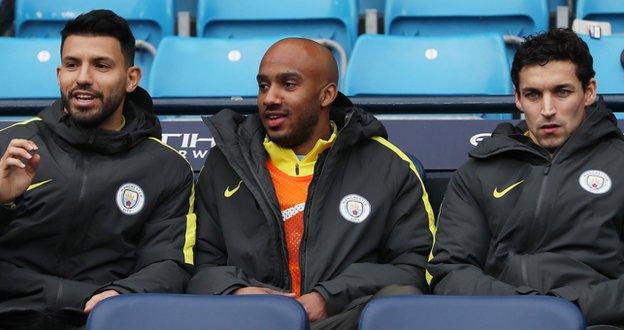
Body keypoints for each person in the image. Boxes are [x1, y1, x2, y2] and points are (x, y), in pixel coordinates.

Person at [186, 38, 434, 329]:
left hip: (342, 320)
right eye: (263, 85)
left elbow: (416, 269)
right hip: (249, 321)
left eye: (288, 85)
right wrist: (238, 292)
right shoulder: (224, 163)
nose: (270, 98)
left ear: (326, 94)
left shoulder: (389, 166)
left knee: (402, 300)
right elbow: (196, 266)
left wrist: (330, 297)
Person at [0, 10, 195, 329]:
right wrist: (2, 202)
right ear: (59, 74)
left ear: (131, 78)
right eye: (72, 64)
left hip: (98, 318)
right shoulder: (9, 145)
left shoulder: (167, 167)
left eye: (101, 65)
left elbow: (170, 264)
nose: (83, 78)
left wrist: (122, 293)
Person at [429, 28, 624, 328]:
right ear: (518, 99)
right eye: (533, 95)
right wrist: (524, 308)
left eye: (562, 92)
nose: (547, 110)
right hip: (499, 322)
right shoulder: (478, 171)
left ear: (589, 92)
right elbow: (450, 272)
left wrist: (563, 310)